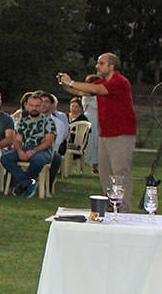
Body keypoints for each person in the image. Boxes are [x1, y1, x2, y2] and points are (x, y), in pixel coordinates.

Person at [58, 52, 137, 211]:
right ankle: (110, 205)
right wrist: (65, 84)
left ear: (111, 66)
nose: (97, 66)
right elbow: (83, 92)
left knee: (120, 172)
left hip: (121, 134)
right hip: (106, 134)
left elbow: (96, 89)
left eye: (101, 63)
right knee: (105, 173)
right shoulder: (103, 83)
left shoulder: (120, 82)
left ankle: (124, 209)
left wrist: (72, 81)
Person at [0, 92, 55, 197]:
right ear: (27, 106)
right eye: (32, 105)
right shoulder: (23, 121)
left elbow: (48, 142)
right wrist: (20, 151)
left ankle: (22, 185)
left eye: (37, 106)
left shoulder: (48, 121)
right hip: (24, 148)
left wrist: (34, 151)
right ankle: (29, 183)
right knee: (5, 158)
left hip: (41, 150)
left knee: (37, 160)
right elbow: (18, 140)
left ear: (41, 107)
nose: (34, 108)